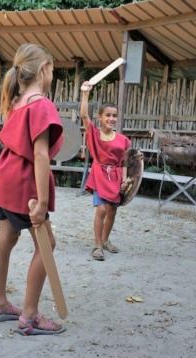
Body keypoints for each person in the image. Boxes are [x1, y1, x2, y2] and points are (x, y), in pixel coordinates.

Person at [0, 43, 65, 335]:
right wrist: (42, 202)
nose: (52, 75)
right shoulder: (41, 104)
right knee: (47, 244)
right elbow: (41, 154)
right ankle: (30, 315)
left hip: (5, 178)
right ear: (44, 69)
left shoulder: (17, 101)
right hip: (24, 184)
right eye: (53, 70)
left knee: (6, 236)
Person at [80, 82, 132, 261]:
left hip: (116, 176)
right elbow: (84, 115)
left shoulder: (123, 140)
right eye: (108, 115)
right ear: (100, 117)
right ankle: (97, 245)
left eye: (114, 116)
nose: (111, 118)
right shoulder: (94, 134)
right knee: (101, 209)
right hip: (99, 174)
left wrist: (125, 180)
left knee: (112, 211)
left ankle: (106, 239)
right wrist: (85, 94)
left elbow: (125, 161)